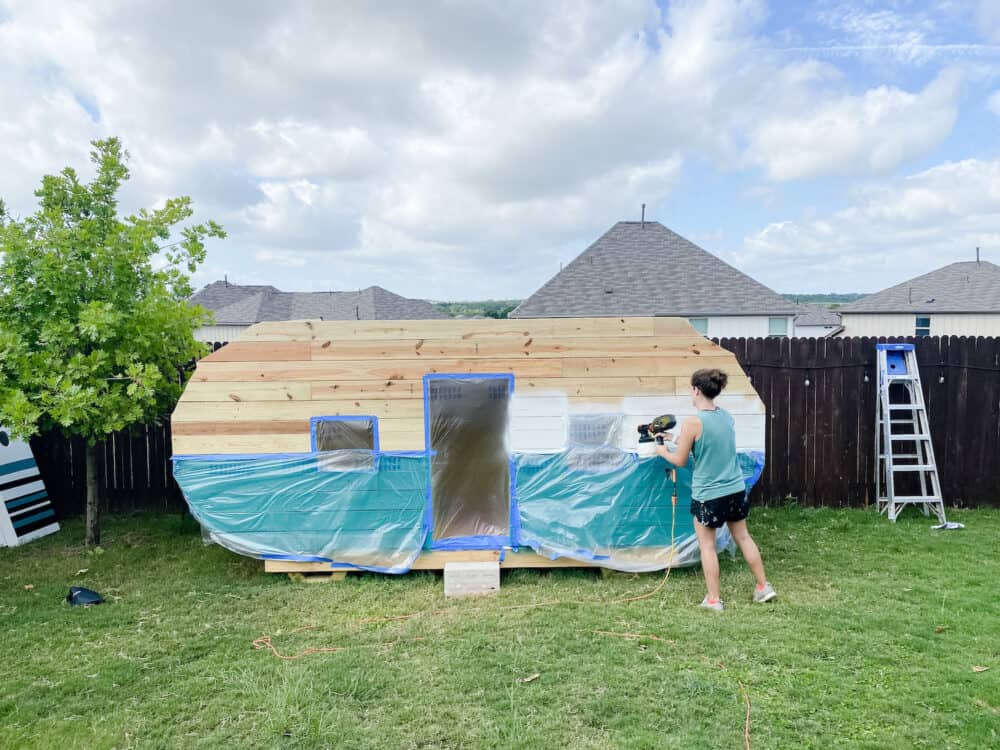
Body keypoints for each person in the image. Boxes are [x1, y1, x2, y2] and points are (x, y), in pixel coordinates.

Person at [654, 368, 776, 611]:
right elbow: (709, 440)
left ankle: (713, 600)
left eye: (691, 389)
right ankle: (763, 588)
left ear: (696, 390)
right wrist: (673, 438)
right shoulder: (725, 416)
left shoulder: (692, 422)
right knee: (743, 537)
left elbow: (679, 460)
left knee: (707, 546)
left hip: (709, 495)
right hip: (735, 489)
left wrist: (661, 448)